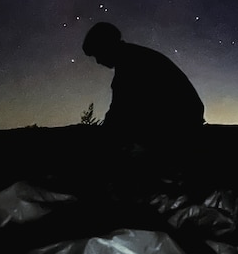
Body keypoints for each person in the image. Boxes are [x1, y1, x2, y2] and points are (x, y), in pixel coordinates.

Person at [82, 21, 205, 163]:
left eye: (97, 54)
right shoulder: (135, 56)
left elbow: (119, 112)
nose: (97, 61)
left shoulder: (130, 65)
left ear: (106, 46)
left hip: (182, 122)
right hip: (186, 117)